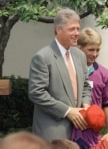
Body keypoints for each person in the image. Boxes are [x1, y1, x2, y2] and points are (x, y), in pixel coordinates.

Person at [28, 8, 92, 141]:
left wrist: (86, 104)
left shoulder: (80, 56)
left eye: (77, 29)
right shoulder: (42, 57)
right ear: (58, 30)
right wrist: (68, 111)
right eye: (72, 29)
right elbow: (36, 93)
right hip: (52, 131)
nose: (76, 33)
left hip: (79, 130)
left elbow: (86, 85)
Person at [72, 27, 108, 148]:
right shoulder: (68, 70)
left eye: (98, 50)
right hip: (68, 131)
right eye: (91, 50)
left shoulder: (104, 74)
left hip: (92, 135)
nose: (95, 54)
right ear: (79, 48)